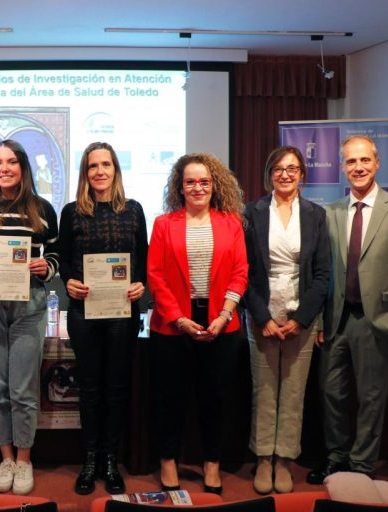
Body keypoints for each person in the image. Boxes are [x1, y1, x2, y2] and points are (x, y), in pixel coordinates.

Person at [307, 135, 388, 484]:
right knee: (332, 394)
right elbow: (321, 272)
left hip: (378, 320)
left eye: (364, 161)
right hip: (334, 320)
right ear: (342, 167)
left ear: (377, 164)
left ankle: (361, 465)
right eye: (350, 162)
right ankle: (337, 457)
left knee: (372, 397)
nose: (357, 167)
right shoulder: (330, 213)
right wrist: (317, 321)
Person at [0, 139, 59, 495]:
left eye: (11, 162)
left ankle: (24, 459)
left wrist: (46, 266)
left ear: (23, 167)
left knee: (23, 388)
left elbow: (57, 255)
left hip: (28, 305)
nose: (4, 168)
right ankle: (5, 457)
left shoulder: (43, 207)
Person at [147, 153, 247, 495]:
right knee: (170, 399)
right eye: (190, 181)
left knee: (215, 399)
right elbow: (155, 276)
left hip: (221, 325)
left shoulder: (231, 223)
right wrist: (179, 319)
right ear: (180, 186)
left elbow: (240, 272)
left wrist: (225, 314)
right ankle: (168, 460)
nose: (197, 187)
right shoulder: (163, 224)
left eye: (204, 181)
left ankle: (212, 463)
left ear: (213, 184)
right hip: (173, 327)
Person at [58, 142, 148, 495]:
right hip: (83, 311)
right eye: (93, 165)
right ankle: (90, 459)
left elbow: (143, 258)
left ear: (115, 170)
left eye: (106, 164)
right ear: (85, 172)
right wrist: (68, 281)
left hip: (122, 312)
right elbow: (64, 259)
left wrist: (141, 283)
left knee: (116, 388)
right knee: (90, 389)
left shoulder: (134, 210)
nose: (99, 171)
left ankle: (111, 460)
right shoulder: (71, 212)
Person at [243, 146, 330, 494]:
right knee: (264, 391)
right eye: (279, 168)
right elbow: (244, 271)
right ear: (269, 173)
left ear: (302, 175)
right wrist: (261, 316)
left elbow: (323, 274)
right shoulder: (252, 212)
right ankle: (264, 458)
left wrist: (303, 318)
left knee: (293, 393)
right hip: (263, 315)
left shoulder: (315, 215)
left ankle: (284, 460)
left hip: (301, 317)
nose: (285, 174)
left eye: (293, 168)